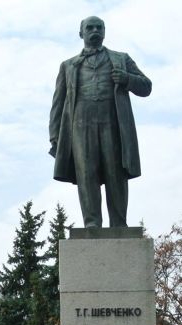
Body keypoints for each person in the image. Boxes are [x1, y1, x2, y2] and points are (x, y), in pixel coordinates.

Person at [49, 15, 152, 229]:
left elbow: (146, 86)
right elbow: (58, 104)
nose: (95, 31)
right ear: (81, 33)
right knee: (86, 174)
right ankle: (92, 224)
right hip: (80, 126)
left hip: (113, 123)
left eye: (99, 27)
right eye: (90, 27)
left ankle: (119, 224)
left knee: (116, 173)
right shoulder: (68, 66)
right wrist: (55, 136)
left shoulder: (121, 59)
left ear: (104, 32)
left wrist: (127, 79)